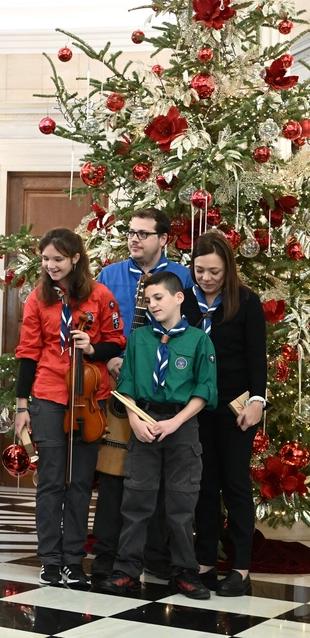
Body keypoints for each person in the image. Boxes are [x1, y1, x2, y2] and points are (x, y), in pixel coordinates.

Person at [14, 228, 126, 588]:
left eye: (57, 259)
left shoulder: (100, 295)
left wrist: (92, 348)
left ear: (75, 258)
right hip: (48, 397)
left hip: (91, 399)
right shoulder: (37, 298)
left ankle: (74, 560)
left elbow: (117, 341)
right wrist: (21, 405)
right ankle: (49, 558)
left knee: (79, 484)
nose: (50, 266)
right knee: (50, 483)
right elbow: (28, 353)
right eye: (45, 259)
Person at [99, 271, 217, 599]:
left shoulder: (198, 340)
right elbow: (128, 387)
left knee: (181, 504)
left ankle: (184, 572)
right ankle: (126, 570)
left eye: (158, 298)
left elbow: (204, 390)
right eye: (148, 300)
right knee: (137, 499)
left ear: (179, 298)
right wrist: (136, 421)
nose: (152, 305)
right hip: (144, 423)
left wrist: (175, 422)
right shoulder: (139, 339)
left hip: (181, 426)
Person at [92, 208, 193, 578]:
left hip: (163, 391)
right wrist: (115, 358)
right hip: (114, 388)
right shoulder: (109, 275)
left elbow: (191, 331)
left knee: (159, 474)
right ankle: (107, 553)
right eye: (131, 232)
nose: (134, 239)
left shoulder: (182, 277)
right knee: (114, 471)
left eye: (143, 234)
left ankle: (155, 554)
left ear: (163, 238)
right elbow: (99, 328)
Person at [185, 232, 266, 596]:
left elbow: (256, 357)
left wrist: (257, 402)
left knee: (234, 485)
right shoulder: (184, 301)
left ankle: (241, 568)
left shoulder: (246, 301)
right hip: (196, 407)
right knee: (203, 486)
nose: (206, 278)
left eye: (214, 271)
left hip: (236, 408)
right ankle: (204, 563)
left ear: (228, 268)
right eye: (200, 270)